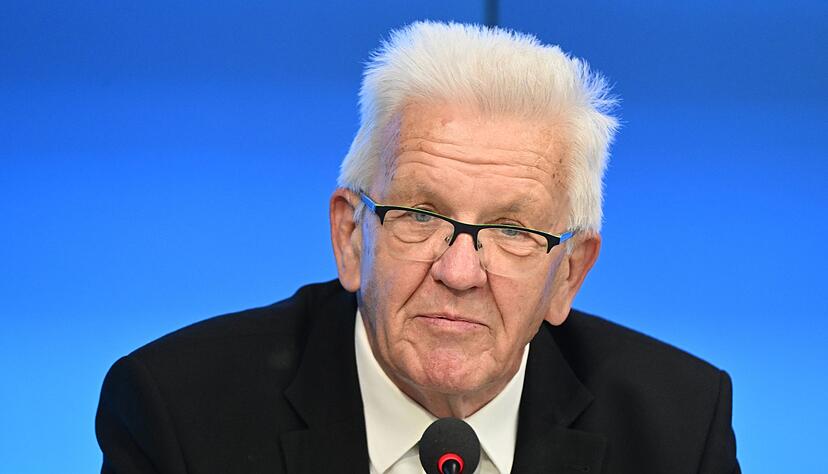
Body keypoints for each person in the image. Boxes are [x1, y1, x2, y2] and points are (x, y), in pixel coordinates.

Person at [96, 21, 739, 473]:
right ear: (351, 236)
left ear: (568, 275)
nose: (459, 272)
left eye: (513, 231)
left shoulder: (679, 429)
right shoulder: (179, 413)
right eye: (420, 215)